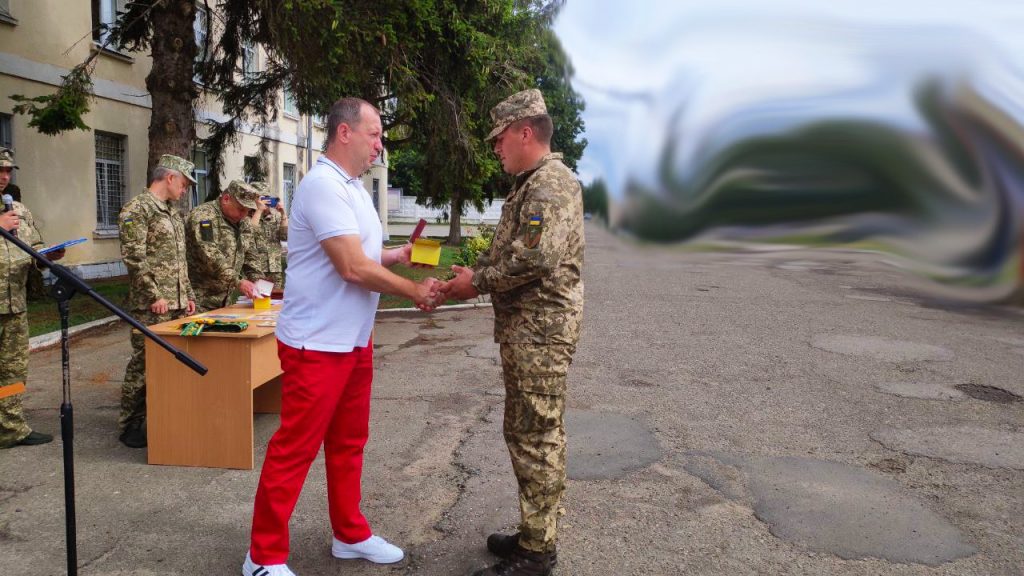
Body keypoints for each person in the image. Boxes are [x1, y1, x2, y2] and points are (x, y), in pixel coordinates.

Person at [242, 97, 440, 576]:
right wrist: (413, 290)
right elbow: (351, 267)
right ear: (344, 132)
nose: (380, 145)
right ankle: (263, 557)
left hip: (352, 339)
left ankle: (349, 534)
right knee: (295, 447)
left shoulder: (353, 187)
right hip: (316, 343)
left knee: (349, 442)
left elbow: (361, 252)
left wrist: (395, 256)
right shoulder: (322, 185)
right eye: (374, 134)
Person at [439, 89, 585, 576]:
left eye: (499, 138)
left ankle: (537, 553)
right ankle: (533, 534)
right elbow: (511, 251)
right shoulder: (530, 184)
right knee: (526, 431)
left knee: (536, 435)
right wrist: (473, 274)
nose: (495, 147)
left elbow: (535, 259)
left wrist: (476, 283)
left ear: (526, 132)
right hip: (530, 332)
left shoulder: (549, 184)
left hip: (541, 334)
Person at [116, 154, 198, 448]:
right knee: (144, 365)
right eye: (184, 184)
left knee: (171, 366)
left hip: (176, 304)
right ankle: (131, 423)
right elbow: (134, 258)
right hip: (151, 305)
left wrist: (188, 295)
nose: (185, 190)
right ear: (170, 177)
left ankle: (163, 418)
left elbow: (179, 260)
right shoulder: (137, 209)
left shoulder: (172, 213)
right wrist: (155, 295)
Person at [0, 147, 65, 449]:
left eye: (8, 171)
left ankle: (10, 427)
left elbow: (35, 247)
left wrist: (47, 256)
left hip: (14, 305)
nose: (4, 176)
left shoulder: (18, 210)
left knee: (13, 371)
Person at [185, 180, 261, 312]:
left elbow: (250, 254)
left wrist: (258, 282)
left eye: (248, 211)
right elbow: (210, 255)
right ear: (226, 199)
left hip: (225, 300)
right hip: (200, 299)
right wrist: (238, 282)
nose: (244, 215)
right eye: (241, 209)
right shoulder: (204, 216)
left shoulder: (243, 222)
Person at [244, 182, 288, 289]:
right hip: (256, 269)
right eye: (262, 198)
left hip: (274, 268)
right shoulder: (247, 216)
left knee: (276, 298)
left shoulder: (275, 217)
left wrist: (283, 214)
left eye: (267, 198)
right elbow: (249, 234)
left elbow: (285, 237)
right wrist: (259, 210)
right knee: (258, 297)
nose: (266, 202)